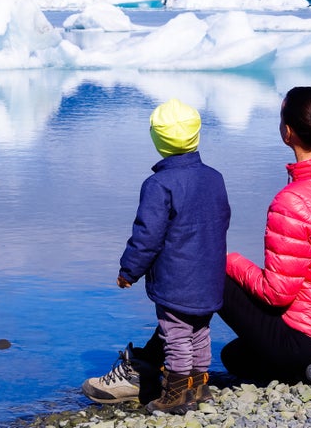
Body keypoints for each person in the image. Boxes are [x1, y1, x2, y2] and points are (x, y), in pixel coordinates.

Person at [81, 99, 230, 414]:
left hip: (176, 280)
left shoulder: (158, 184)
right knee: (200, 331)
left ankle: (175, 394)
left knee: (175, 334)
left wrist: (129, 271)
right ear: (196, 135)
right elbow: (222, 220)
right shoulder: (214, 178)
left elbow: (147, 235)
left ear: (158, 140)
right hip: (210, 276)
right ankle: (199, 387)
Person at [218, 86, 311, 385]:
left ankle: (162, 366)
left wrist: (231, 262)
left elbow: (276, 294)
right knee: (235, 356)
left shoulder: (291, 201)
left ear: (287, 132)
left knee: (210, 273)